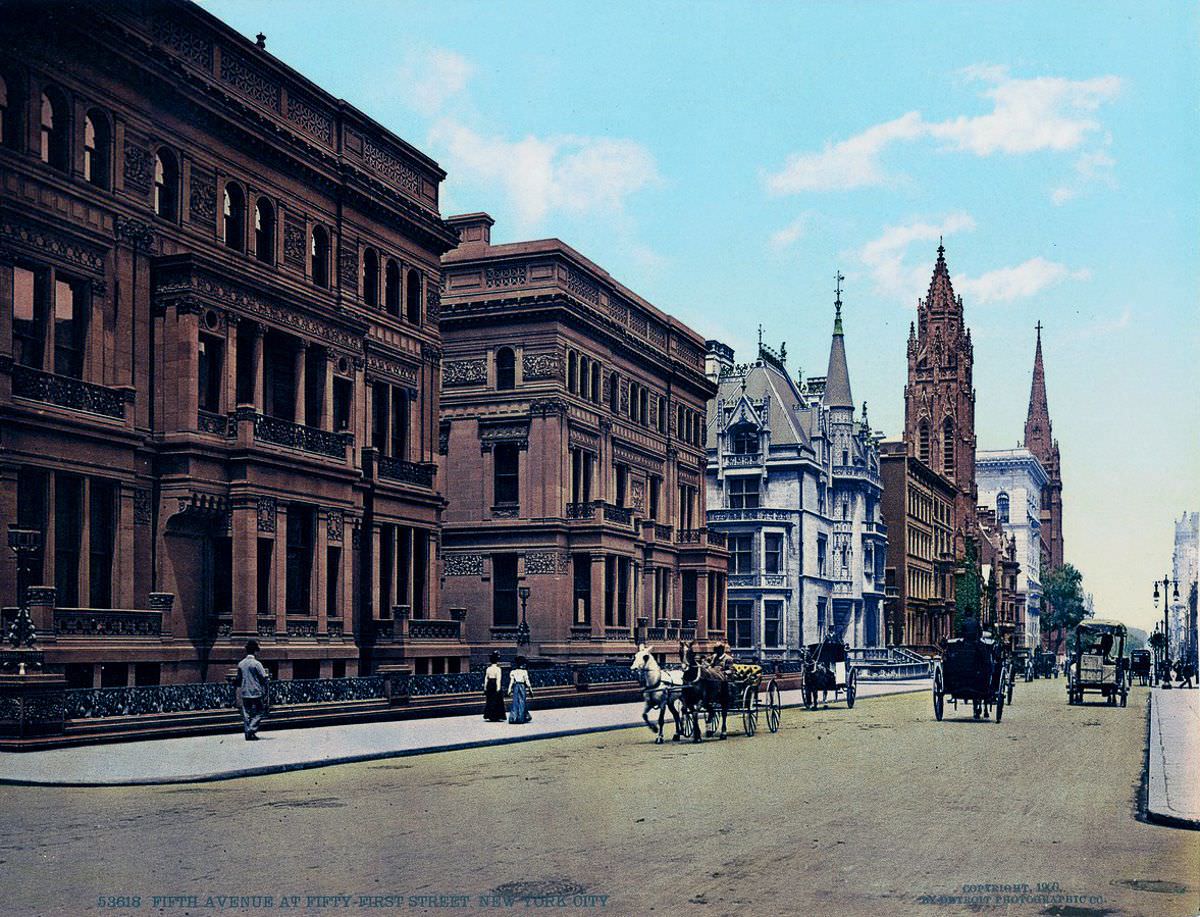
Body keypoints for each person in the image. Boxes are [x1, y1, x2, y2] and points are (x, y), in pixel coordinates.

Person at [235, 640, 270, 740]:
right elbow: (263, 677)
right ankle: (251, 729)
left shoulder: (241, 664)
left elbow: (239, 678)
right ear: (255, 651)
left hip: (245, 691)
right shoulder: (256, 664)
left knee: (247, 712)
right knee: (260, 711)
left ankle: (248, 733)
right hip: (256, 691)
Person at [507, 656, 532, 724]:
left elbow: (511, 681)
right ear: (521, 664)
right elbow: (527, 681)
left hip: (515, 687)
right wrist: (530, 690)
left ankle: (514, 717)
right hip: (522, 686)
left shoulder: (513, 672)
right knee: (522, 701)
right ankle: (521, 717)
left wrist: (509, 689)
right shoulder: (524, 672)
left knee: (515, 702)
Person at [483, 651, 506, 722]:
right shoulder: (498, 669)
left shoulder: (488, 669)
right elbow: (498, 679)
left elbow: (486, 679)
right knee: (497, 701)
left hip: (490, 684)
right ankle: (497, 716)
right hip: (495, 684)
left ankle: (490, 715)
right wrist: (498, 688)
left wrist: (485, 688)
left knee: (490, 700)